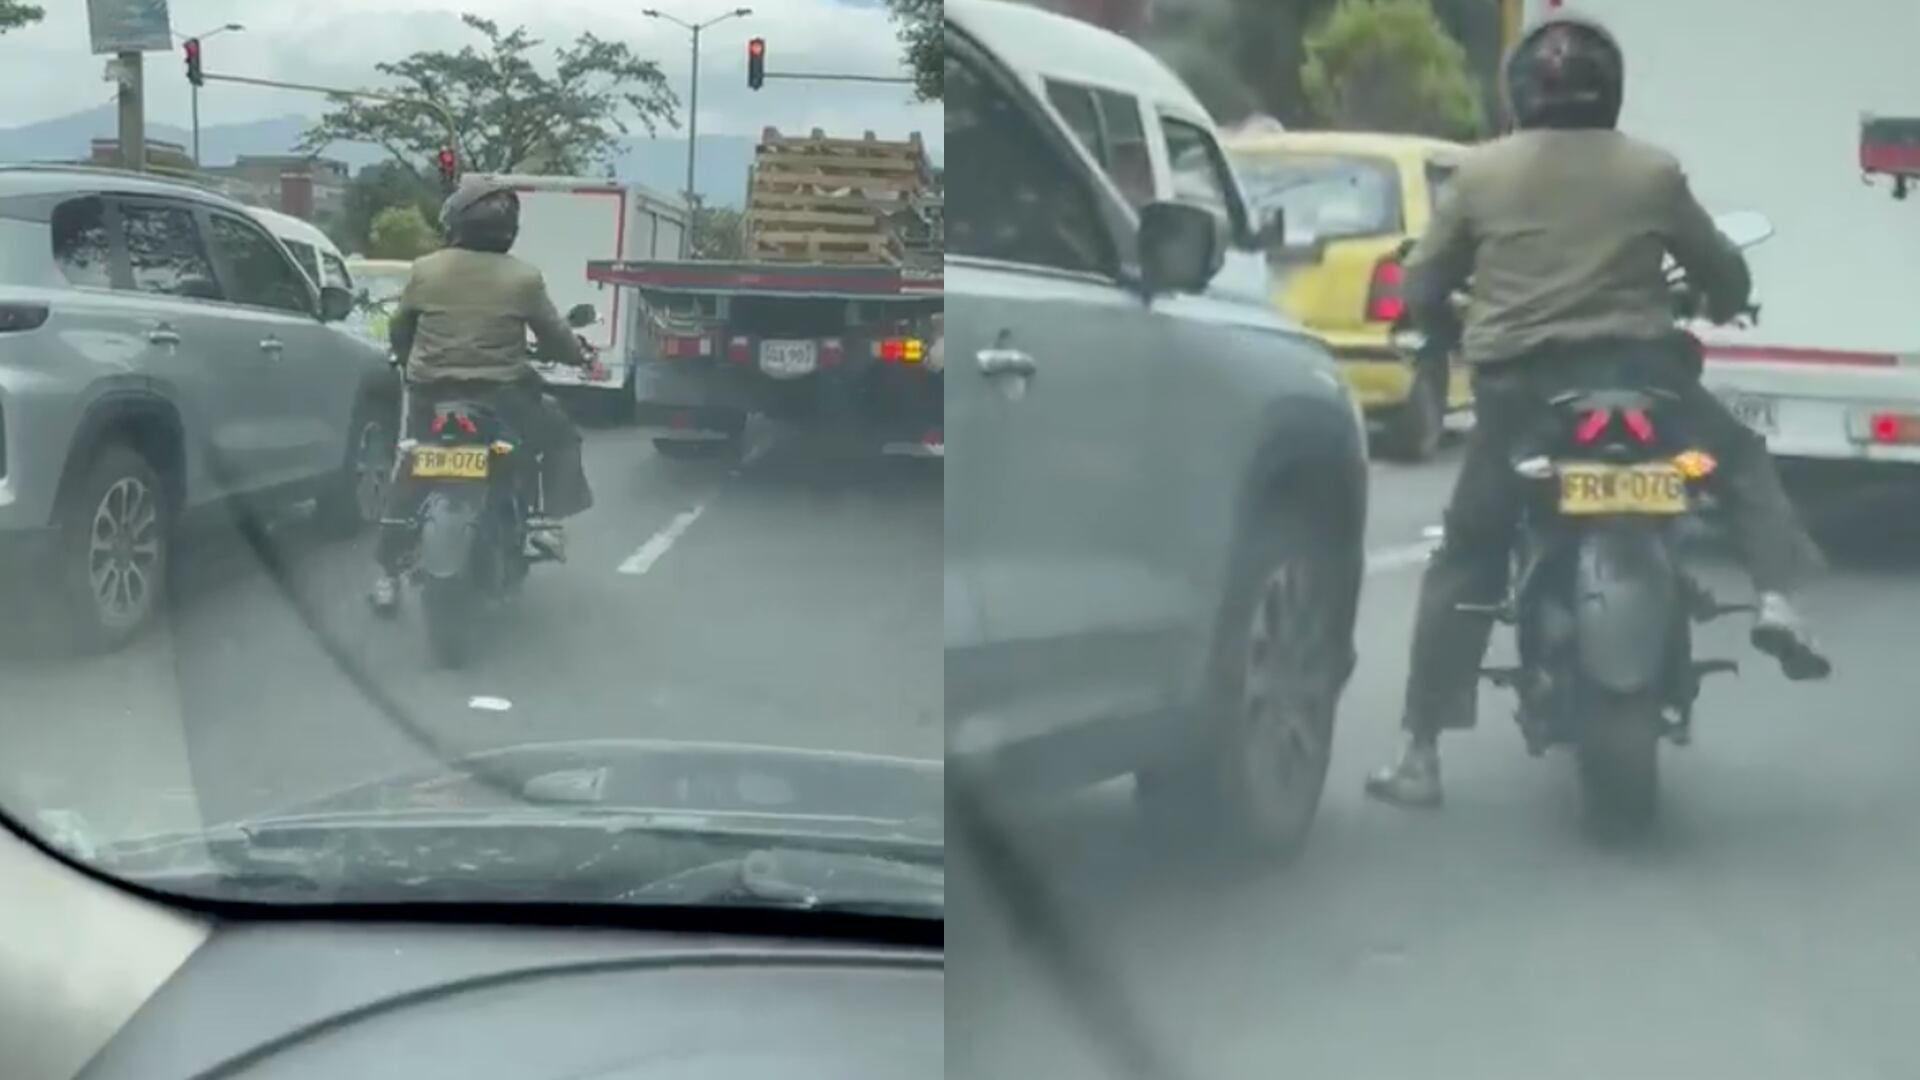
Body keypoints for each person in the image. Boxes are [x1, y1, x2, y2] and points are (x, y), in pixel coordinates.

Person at [1364, 12, 1832, 809]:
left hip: (1526, 406)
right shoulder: (1652, 171)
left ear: (1520, 91)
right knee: (1738, 462)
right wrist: (1723, 299)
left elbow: (1421, 287)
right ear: (1609, 89)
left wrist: (1441, 327)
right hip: (1650, 393)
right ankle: (1777, 599)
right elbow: (1722, 273)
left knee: (1470, 557)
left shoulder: (1481, 175)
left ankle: (1419, 752)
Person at [369, 176, 595, 612]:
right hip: (502, 398)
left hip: (429, 395)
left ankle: (385, 572)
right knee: (560, 434)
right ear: (508, 230)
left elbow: (401, 330)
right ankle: (545, 522)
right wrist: (574, 356)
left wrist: (405, 358)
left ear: (455, 223)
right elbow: (556, 338)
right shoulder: (523, 277)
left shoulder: (425, 269)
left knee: (412, 463)